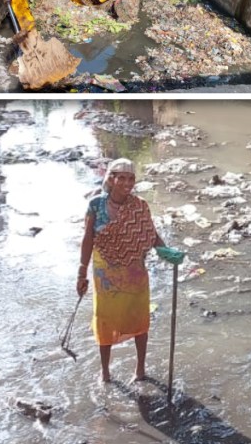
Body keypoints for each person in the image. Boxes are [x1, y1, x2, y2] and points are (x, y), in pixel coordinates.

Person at [77, 158, 166, 383]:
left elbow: (150, 234)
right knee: (104, 319)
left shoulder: (140, 206)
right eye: (122, 178)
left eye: (131, 179)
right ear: (111, 179)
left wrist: (166, 252)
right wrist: (81, 272)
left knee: (139, 318)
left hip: (134, 271)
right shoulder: (96, 205)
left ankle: (140, 369)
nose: (127, 183)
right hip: (105, 272)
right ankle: (105, 372)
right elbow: (88, 239)